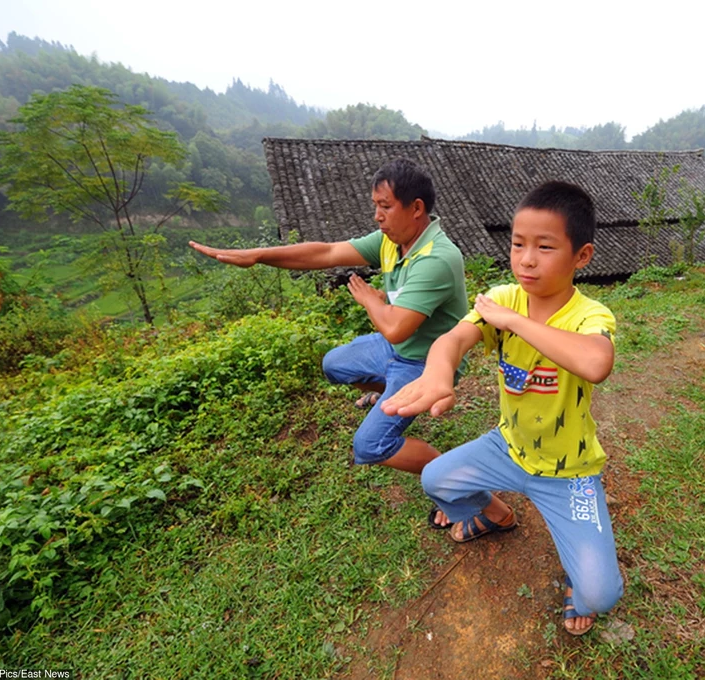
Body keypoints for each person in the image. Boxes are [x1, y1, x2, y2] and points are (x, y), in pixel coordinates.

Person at [189, 159, 497, 527]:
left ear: (416, 209)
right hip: (395, 350)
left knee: (369, 447)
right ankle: (388, 395)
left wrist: (371, 301)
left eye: (385, 206)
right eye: (375, 206)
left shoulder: (437, 258)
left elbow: (396, 328)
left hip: (426, 364)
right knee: (334, 364)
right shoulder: (390, 241)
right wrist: (259, 256)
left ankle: (468, 494)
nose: (377, 216)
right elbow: (327, 253)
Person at [382, 181, 623, 636]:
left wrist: (514, 322)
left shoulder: (590, 314)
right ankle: (495, 514)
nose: (526, 259)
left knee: (600, 594)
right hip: (507, 447)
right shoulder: (503, 298)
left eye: (545, 247)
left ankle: (581, 583)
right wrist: (437, 371)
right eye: (518, 244)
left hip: (568, 469)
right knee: (436, 480)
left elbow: (595, 363)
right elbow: (455, 338)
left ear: (582, 256)